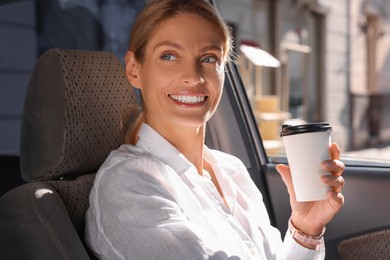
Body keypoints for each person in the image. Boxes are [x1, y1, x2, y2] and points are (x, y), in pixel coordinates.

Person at [85, 0, 345, 259]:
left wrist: (305, 229)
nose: (194, 76)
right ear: (134, 69)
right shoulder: (129, 184)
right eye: (169, 56)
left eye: (209, 58)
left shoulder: (233, 171)